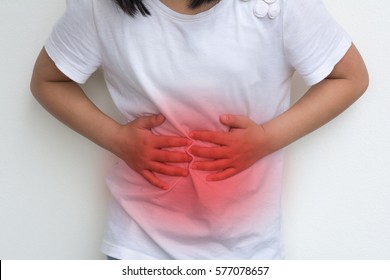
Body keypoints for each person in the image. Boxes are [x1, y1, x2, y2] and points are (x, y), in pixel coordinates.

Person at [30, 0, 368, 259]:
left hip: (247, 248)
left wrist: (266, 139)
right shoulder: (99, 8)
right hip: (137, 245)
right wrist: (116, 138)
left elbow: (349, 77)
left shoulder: (276, 7)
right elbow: (48, 81)